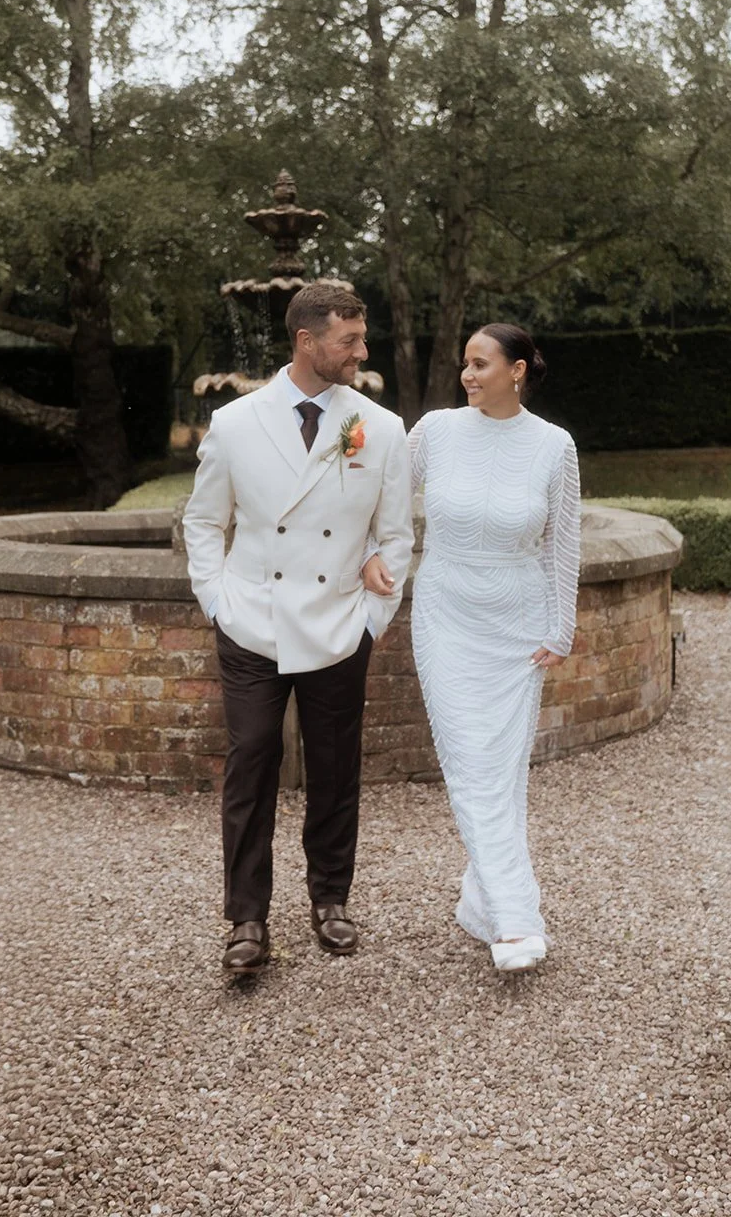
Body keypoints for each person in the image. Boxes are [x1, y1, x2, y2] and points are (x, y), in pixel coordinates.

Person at [183, 282, 414, 976]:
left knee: (335, 767)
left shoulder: (381, 427)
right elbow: (201, 521)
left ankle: (330, 899)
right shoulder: (234, 423)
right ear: (306, 341)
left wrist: (373, 615)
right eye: (349, 340)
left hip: (340, 622)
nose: (361, 351)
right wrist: (216, 601)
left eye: (361, 338)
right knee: (252, 759)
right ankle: (246, 919)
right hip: (251, 622)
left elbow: (396, 534)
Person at [363, 323, 580, 973]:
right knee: (470, 765)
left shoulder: (553, 446)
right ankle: (515, 919)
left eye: (481, 364)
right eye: (465, 364)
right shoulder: (434, 432)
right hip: (447, 615)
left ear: (517, 370)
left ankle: (479, 904)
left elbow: (561, 541)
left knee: (503, 769)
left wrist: (559, 626)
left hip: (519, 625)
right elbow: (387, 502)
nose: (468, 374)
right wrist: (374, 553)